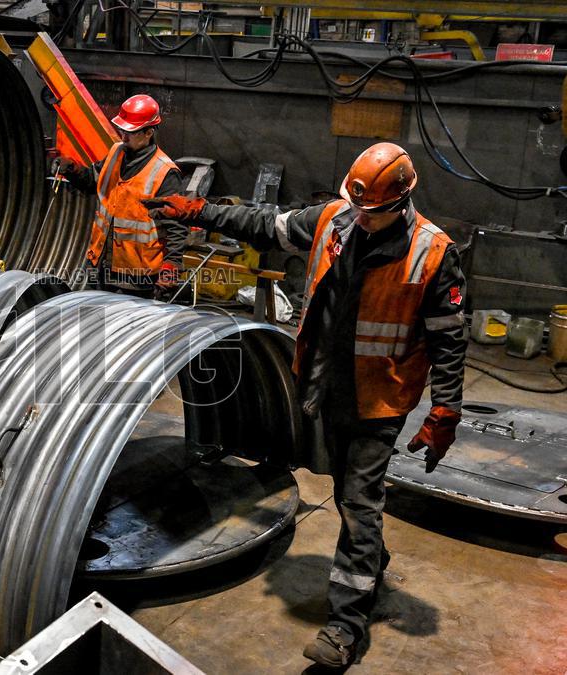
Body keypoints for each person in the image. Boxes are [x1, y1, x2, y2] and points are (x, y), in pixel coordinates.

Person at [144, 142, 467, 668]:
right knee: (346, 493)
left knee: (360, 503)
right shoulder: (333, 221)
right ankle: (371, 558)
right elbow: (262, 223)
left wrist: (444, 412)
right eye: (355, 205)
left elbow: (450, 341)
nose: (359, 217)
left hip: (379, 401)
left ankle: (345, 626)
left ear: (401, 202)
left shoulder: (433, 253)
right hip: (325, 388)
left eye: (372, 210)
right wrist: (201, 212)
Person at [59, 94, 186, 297]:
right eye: (122, 131)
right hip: (100, 266)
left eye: (130, 132)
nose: (123, 137)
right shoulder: (116, 152)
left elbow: (177, 228)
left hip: (136, 277)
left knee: (126, 328)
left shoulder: (165, 173)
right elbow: (92, 180)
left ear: (148, 133)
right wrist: (73, 170)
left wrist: (171, 269)